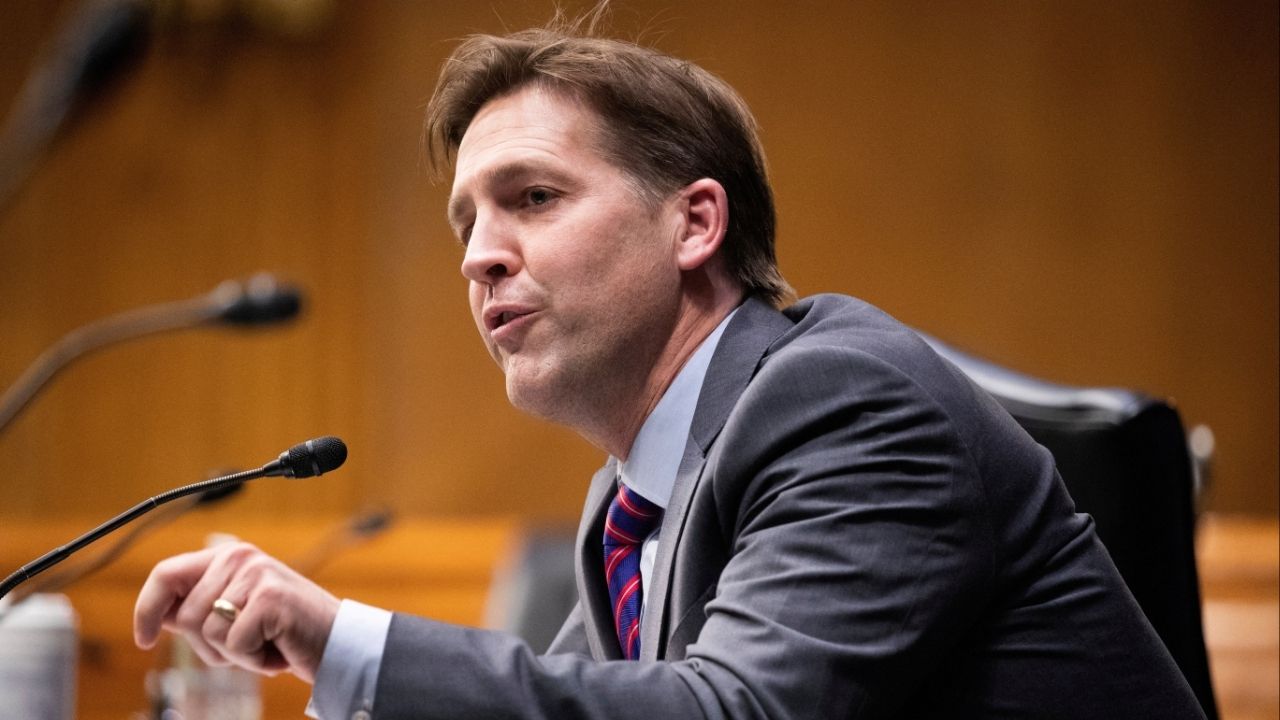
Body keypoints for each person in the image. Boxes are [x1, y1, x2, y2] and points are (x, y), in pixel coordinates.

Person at [133, 14, 1209, 720]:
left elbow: (730, 715)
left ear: (693, 223)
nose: (476, 254)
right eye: (466, 219)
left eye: (532, 198)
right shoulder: (633, 499)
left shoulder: (841, 401)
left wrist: (345, 640)